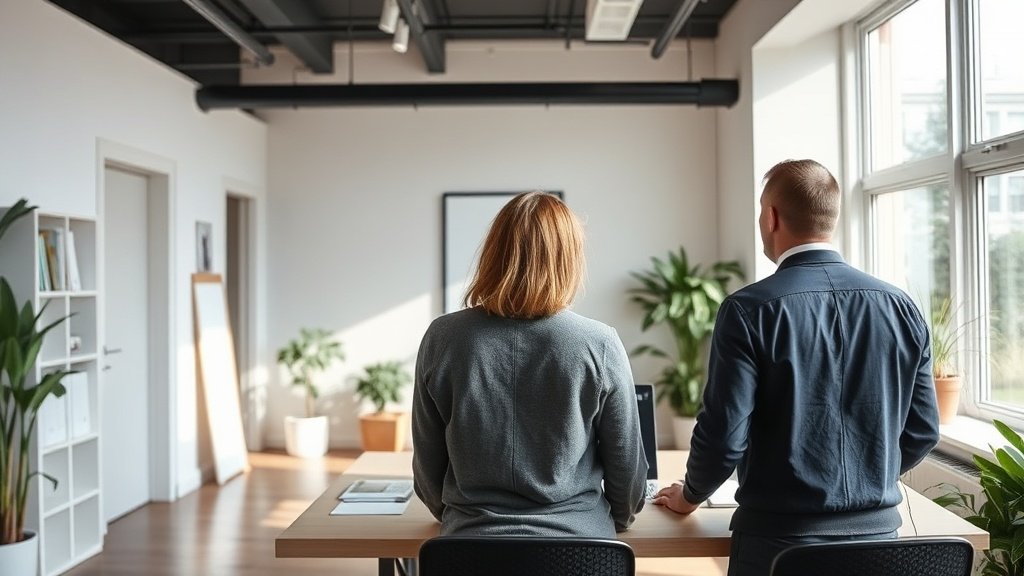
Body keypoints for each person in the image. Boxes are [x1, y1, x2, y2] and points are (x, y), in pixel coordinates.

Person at [653, 159, 940, 575]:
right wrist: (867, 473)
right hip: (879, 546)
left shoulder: (749, 310)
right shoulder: (901, 307)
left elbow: (724, 435)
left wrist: (690, 496)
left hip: (778, 546)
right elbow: (923, 429)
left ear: (771, 217)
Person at [412, 190, 648, 537]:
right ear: (568, 260)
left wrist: (455, 518)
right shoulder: (599, 344)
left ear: (494, 254)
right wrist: (618, 521)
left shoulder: (442, 338)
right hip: (581, 552)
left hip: (468, 551)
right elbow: (627, 472)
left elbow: (427, 468)